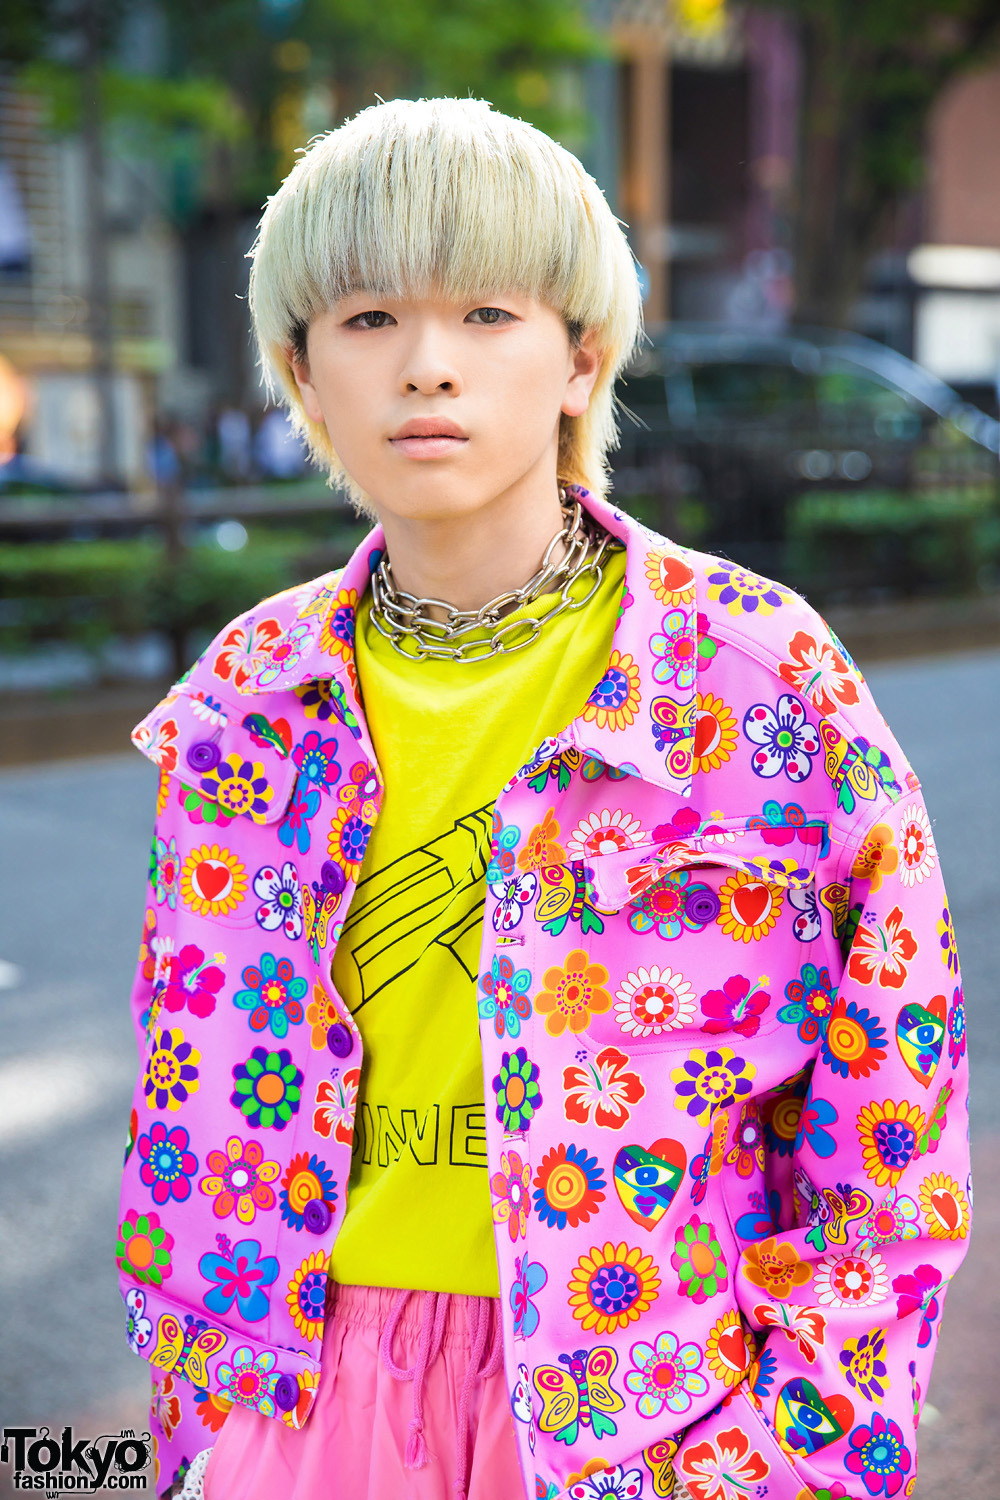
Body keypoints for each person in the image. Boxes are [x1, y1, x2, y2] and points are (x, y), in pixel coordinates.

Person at [120, 98, 970, 1500]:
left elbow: (892, 1130)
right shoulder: (247, 700)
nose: (428, 368)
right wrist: (201, 1428)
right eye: (370, 318)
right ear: (301, 371)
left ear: (582, 358)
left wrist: (783, 1457)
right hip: (289, 1397)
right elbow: (186, 1086)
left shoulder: (754, 682)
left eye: (490, 315)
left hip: (642, 1412)